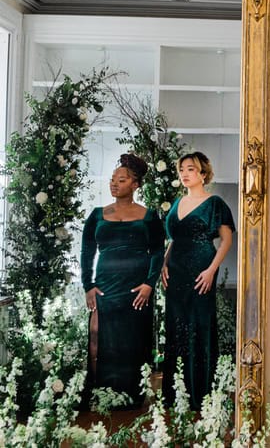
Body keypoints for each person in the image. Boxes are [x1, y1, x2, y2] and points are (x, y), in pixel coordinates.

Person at [81, 153, 165, 408]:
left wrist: (149, 284)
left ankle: (131, 396)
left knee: (133, 340)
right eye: (112, 179)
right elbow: (87, 252)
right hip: (104, 287)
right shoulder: (97, 215)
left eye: (122, 180)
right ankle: (99, 392)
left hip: (137, 289)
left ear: (135, 184)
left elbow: (158, 252)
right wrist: (88, 285)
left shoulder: (148, 216)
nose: (114, 184)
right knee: (97, 336)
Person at [161, 151, 235, 410]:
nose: (184, 173)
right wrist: (163, 263)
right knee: (176, 326)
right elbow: (174, 240)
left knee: (199, 324)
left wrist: (212, 270)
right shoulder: (177, 202)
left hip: (201, 270)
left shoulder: (215, 204)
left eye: (190, 169)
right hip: (176, 271)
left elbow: (226, 240)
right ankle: (175, 394)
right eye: (181, 169)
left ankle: (200, 392)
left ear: (203, 173)